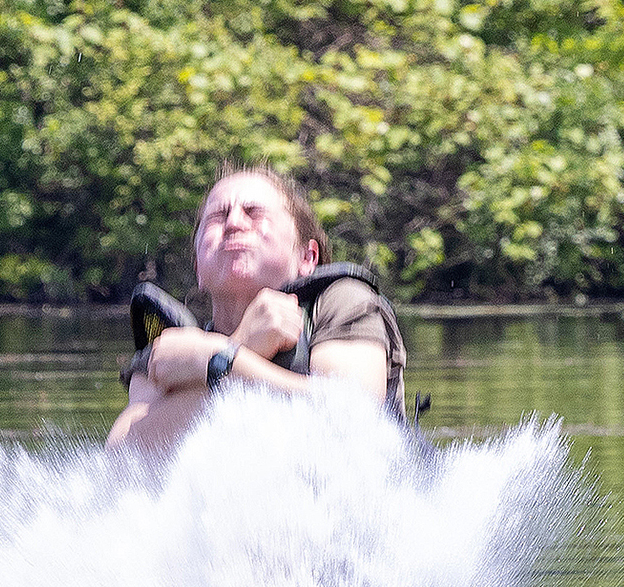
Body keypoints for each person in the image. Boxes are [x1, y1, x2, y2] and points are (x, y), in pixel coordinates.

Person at [106, 167, 407, 457]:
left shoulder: (342, 302)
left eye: (254, 212)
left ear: (307, 256)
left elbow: (355, 417)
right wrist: (243, 345)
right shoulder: (171, 349)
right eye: (217, 217)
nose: (234, 223)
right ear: (198, 266)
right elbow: (124, 457)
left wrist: (220, 362)